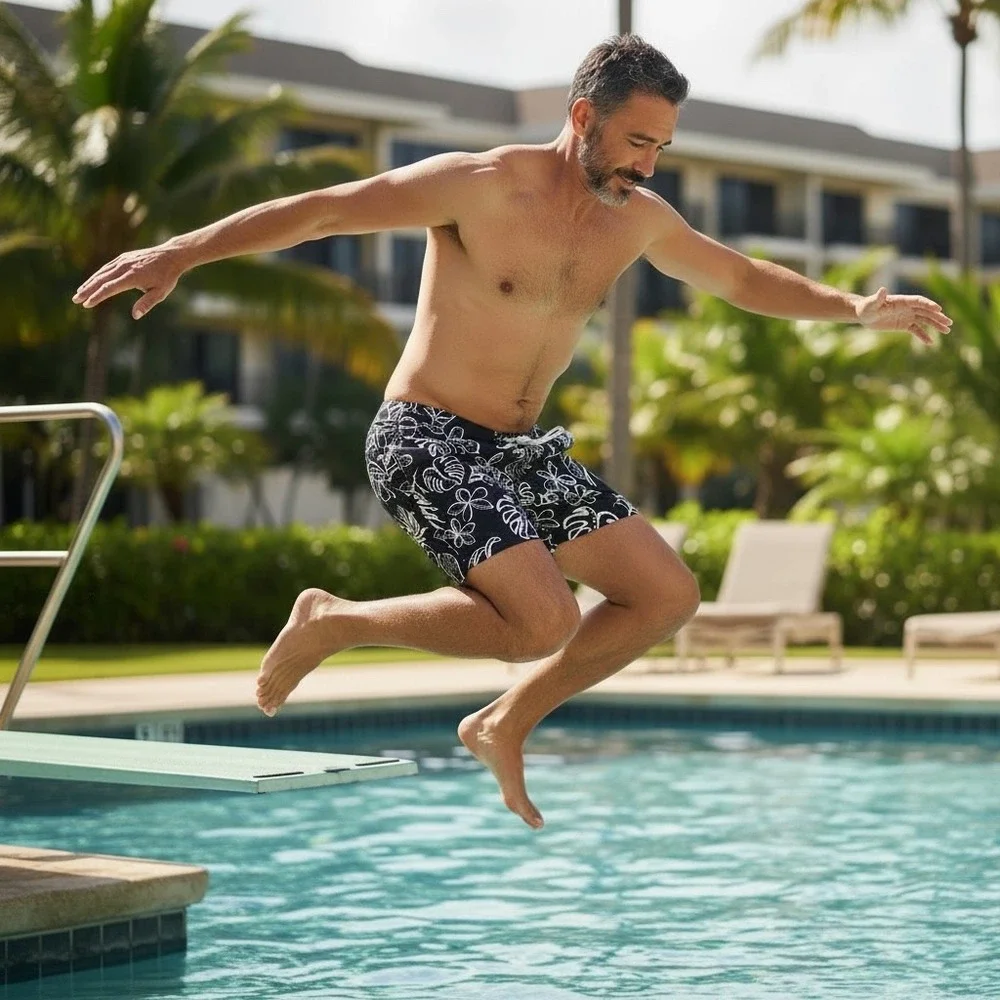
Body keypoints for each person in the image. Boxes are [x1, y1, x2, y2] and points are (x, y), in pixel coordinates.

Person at [73, 35, 952, 830]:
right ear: (585, 117)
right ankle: (335, 621)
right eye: (637, 141)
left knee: (665, 595)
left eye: (661, 147)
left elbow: (741, 277)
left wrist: (854, 308)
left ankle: (504, 721)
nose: (648, 165)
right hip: (424, 433)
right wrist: (181, 252)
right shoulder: (480, 183)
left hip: (519, 451)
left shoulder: (637, 218)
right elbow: (326, 210)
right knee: (540, 621)